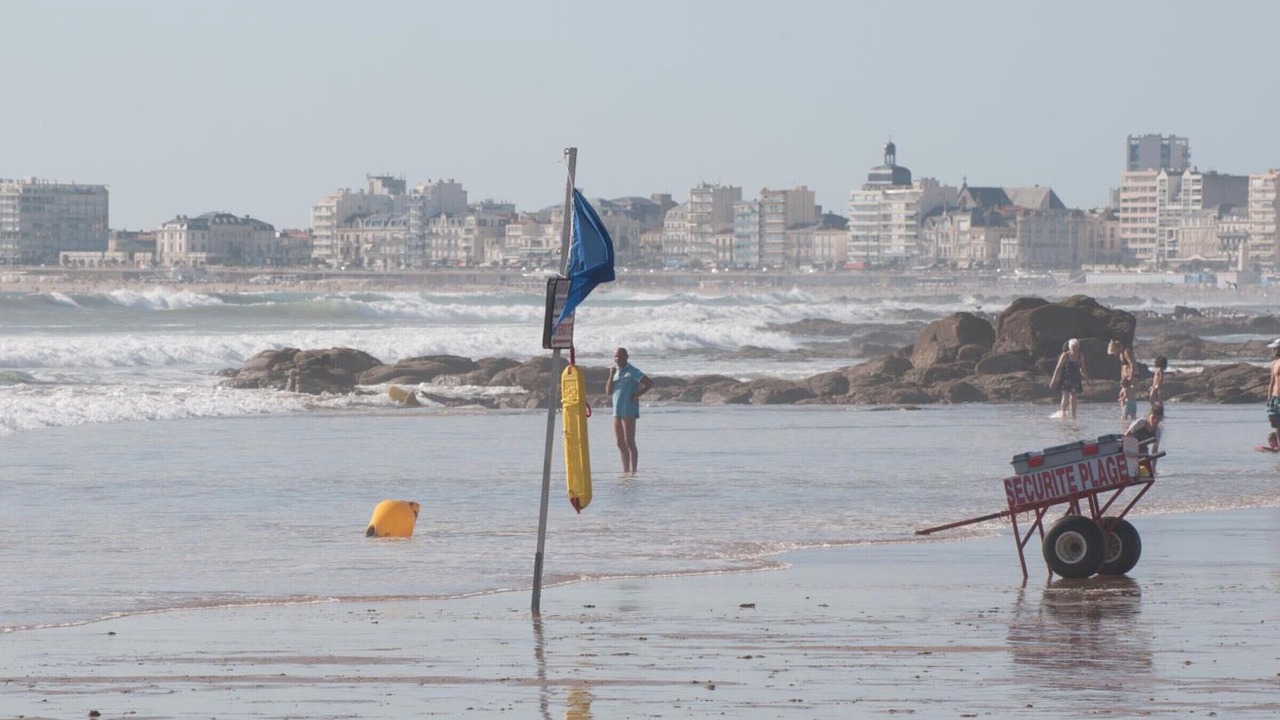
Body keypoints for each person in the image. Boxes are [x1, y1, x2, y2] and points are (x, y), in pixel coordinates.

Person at [605, 347, 653, 473]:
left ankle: (634, 470)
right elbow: (608, 392)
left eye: (620, 356)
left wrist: (637, 394)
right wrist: (611, 375)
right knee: (620, 442)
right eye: (615, 356)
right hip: (617, 410)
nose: (617, 359)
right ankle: (625, 470)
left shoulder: (633, 371)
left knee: (629, 441)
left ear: (626, 357)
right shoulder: (615, 372)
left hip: (629, 410)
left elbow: (649, 383)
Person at [1050, 338, 1087, 419]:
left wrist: (1086, 377)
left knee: (1073, 396)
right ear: (1070, 347)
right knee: (1065, 395)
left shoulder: (1080, 355)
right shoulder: (1065, 355)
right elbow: (1058, 368)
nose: (1075, 349)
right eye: (1073, 347)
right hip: (1065, 378)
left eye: (1076, 347)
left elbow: (1082, 367)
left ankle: (1073, 416)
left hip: (1075, 378)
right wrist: (1053, 380)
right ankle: (1063, 412)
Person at [1125, 402, 1164, 475]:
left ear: (1161, 419)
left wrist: (1153, 468)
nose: (1155, 421)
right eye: (1153, 417)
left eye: (1158, 419)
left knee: (1147, 473)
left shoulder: (1157, 432)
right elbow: (1126, 436)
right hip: (1129, 448)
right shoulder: (1140, 423)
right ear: (1148, 416)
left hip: (1142, 451)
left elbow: (1154, 451)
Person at [1266, 339, 1280, 449]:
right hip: (1275, 398)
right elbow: (1272, 382)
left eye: (1274, 349)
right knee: (1277, 425)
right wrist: (1269, 397)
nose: (1272, 351)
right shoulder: (1274, 363)